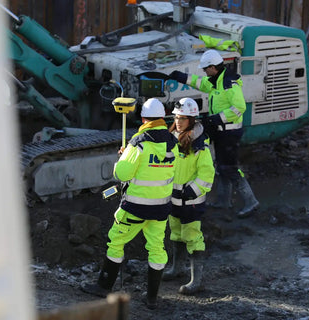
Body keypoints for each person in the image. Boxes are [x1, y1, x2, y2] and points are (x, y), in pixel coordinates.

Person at [81, 98, 178, 310]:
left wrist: (124, 156)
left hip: (134, 207)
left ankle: (104, 286)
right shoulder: (173, 143)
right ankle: (152, 298)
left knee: (116, 242)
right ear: (163, 118)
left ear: (143, 118)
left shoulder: (139, 142)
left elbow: (121, 173)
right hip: (161, 208)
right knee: (156, 248)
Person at [169, 49, 259, 218]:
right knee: (222, 167)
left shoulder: (228, 84)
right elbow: (201, 83)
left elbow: (239, 108)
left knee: (230, 168)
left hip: (229, 134)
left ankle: (251, 202)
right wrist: (181, 77)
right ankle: (223, 201)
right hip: (222, 132)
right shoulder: (217, 80)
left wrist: (216, 119)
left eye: (205, 69)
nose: (204, 72)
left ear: (212, 67)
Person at [162, 97, 215, 295]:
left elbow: (207, 174)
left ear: (192, 119)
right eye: (176, 117)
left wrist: (190, 191)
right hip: (173, 198)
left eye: (183, 118)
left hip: (190, 201)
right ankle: (177, 268)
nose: (178, 121)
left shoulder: (199, 144)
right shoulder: (173, 138)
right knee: (175, 232)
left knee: (192, 237)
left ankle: (196, 281)